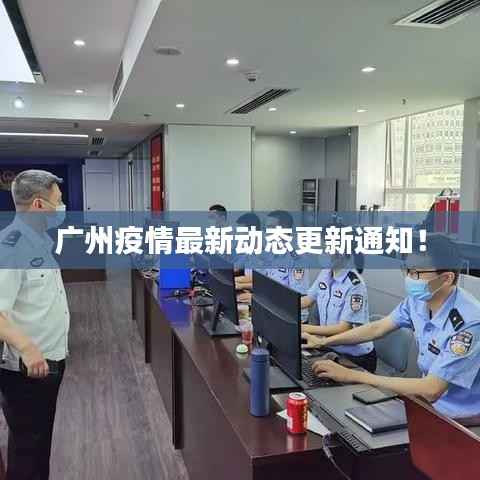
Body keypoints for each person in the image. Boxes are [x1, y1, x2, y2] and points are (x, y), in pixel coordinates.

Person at [308, 235, 480, 420]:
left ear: (446, 278)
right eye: (406, 270)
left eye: (416, 273)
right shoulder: (418, 300)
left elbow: (432, 389)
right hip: (428, 404)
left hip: (462, 419)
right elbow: (377, 328)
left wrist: (353, 375)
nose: (408, 278)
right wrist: (323, 342)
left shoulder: (469, 322)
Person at [0, 170, 70, 480]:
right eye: (58, 201)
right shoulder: (10, 247)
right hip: (27, 369)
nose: (62, 207)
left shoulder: (38, 240)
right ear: (39, 205)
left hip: (48, 360)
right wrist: (27, 347)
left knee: (39, 442)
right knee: (28, 448)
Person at [301, 251, 377, 372]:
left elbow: (343, 328)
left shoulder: (355, 284)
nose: (322, 255)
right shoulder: (326, 273)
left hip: (355, 357)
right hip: (331, 347)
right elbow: (308, 300)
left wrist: (304, 328)